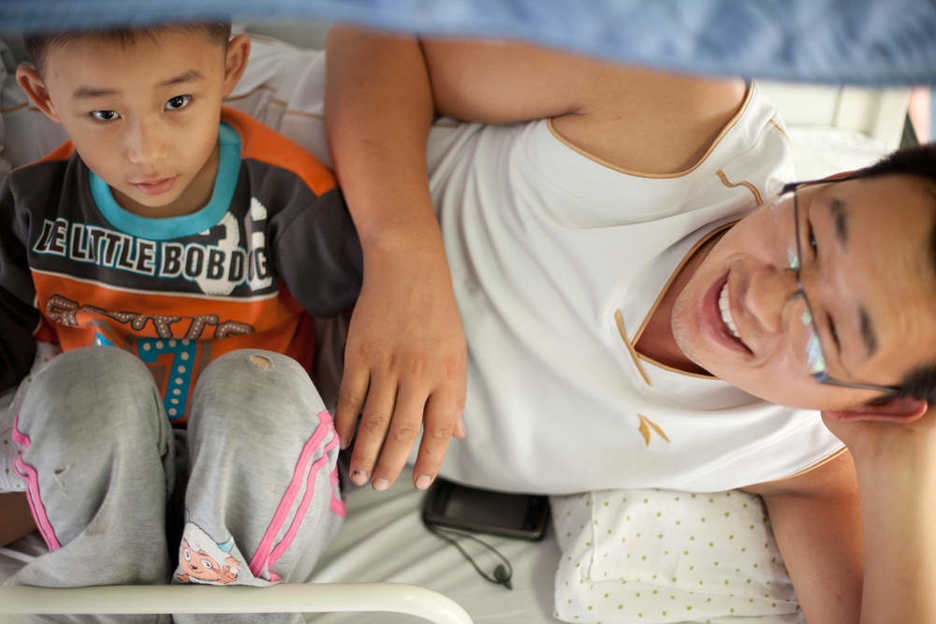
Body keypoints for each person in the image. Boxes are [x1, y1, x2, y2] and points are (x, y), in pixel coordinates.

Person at [322, 26, 936, 623]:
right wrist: (402, 254)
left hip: (280, 406)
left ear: (880, 406)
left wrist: (906, 471)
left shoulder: (798, 453)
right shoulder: (673, 100)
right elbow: (379, 30)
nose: (761, 298)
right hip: (268, 182)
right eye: (811, 242)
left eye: (825, 335)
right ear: (837, 181)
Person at [0, 22, 361, 623]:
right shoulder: (35, 202)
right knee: (89, 381)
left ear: (230, 68)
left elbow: (362, 331)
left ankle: (232, 611)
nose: (145, 151)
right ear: (43, 98)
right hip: (104, 473)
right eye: (105, 115)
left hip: (248, 469)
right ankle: (117, 605)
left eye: (176, 103)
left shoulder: (286, 196)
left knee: (256, 381)